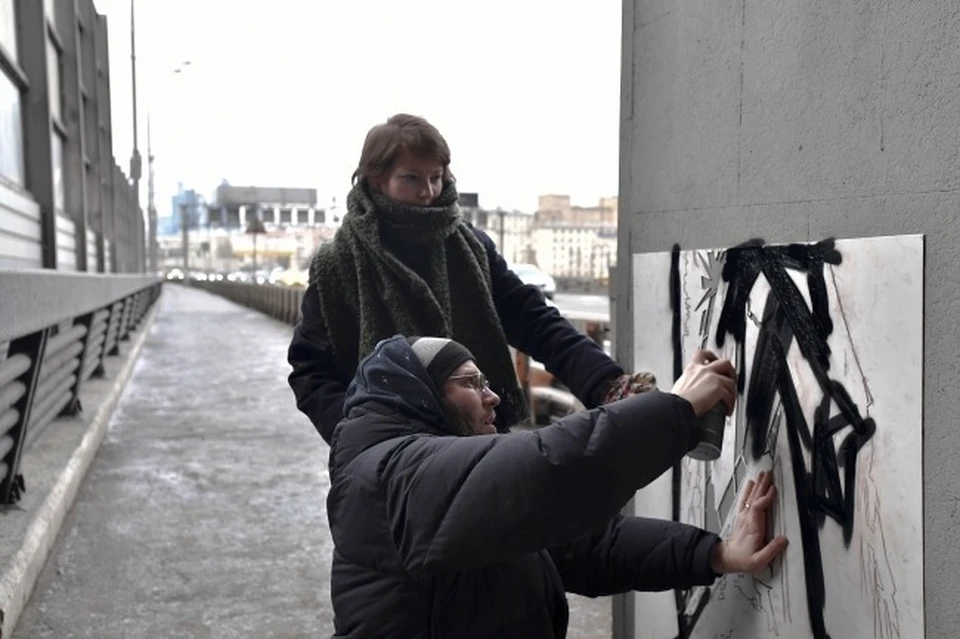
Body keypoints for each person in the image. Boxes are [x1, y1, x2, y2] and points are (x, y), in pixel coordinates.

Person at [326, 335, 789, 638]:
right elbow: (551, 472)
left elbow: (579, 545)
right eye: (470, 383)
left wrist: (714, 553)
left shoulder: (442, 483)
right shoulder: (388, 479)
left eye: (486, 381)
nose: (491, 396)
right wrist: (678, 410)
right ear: (420, 396)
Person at [288, 113, 648, 443]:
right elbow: (311, 370)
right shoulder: (338, 263)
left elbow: (533, 318)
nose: (427, 192)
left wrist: (604, 382)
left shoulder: (470, 247)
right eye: (411, 178)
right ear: (377, 179)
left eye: (435, 177)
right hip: (387, 456)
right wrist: (352, 436)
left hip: (481, 438)